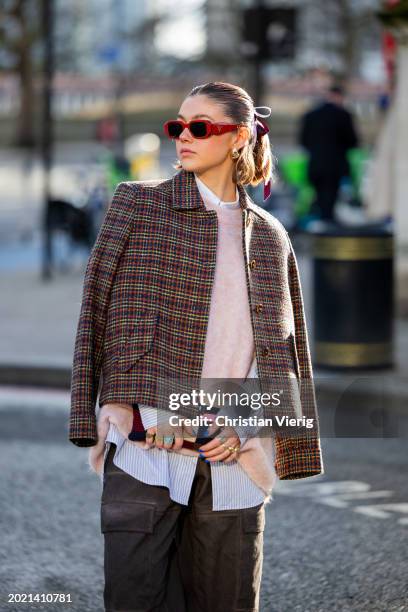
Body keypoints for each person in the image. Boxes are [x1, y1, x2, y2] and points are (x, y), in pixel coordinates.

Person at [69, 81, 324, 611]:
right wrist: (124, 406)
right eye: (177, 126)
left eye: (200, 126)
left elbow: (285, 359)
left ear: (238, 138)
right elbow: (95, 315)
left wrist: (246, 423)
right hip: (145, 453)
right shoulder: (136, 207)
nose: (183, 136)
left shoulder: (270, 236)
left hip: (233, 460)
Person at [299, 83, 359, 222]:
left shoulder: (311, 115)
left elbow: (303, 141)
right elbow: (353, 142)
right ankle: (327, 223)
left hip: (315, 164)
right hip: (335, 166)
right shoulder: (344, 115)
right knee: (331, 198)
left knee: (320, 197)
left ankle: (321, 221)